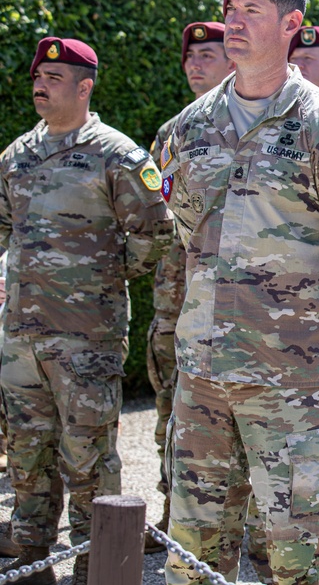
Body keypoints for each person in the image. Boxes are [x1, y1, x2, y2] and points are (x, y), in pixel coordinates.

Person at [160, 0, 319, 585]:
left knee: (303, 555)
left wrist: (305, 315)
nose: (234, 24)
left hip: (294, 380)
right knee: (193, 551)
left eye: (252, 13)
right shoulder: (188, 128)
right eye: (231, 12)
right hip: (204, 374)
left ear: (292, 24)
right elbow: (185, 224)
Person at [0, 36, 173, 585]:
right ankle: (31, 561)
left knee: (89, 456)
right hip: (21, 336)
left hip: (86, 336)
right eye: (37, 78)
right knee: (28, 452)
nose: (41, 86)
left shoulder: (117, 155)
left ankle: (92, 566)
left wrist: (101, 278)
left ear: (84, 86)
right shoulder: (16, 156)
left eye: (54, 78)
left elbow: (154, 233)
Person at [144, 20, 235, 554]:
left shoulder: (256, 126)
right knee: (170, 413)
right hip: (176, 300)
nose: (196, 63)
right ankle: (174, 510)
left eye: (209, 53)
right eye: (191, 55)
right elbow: (159, 219)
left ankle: (234, 522)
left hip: (235, 310)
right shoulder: (172, 134)